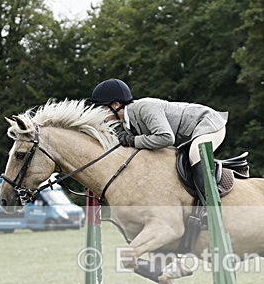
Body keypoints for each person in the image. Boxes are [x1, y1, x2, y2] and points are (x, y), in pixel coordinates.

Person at [89, 78, 227, 203]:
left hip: (207, 123)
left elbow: (166, 137)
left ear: (116, 104)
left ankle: (211, 205)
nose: (101, 113)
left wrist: (134, 141)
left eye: (103, 107)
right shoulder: (126, 123)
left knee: (196, 154)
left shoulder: (145, 108)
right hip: (187, 135)